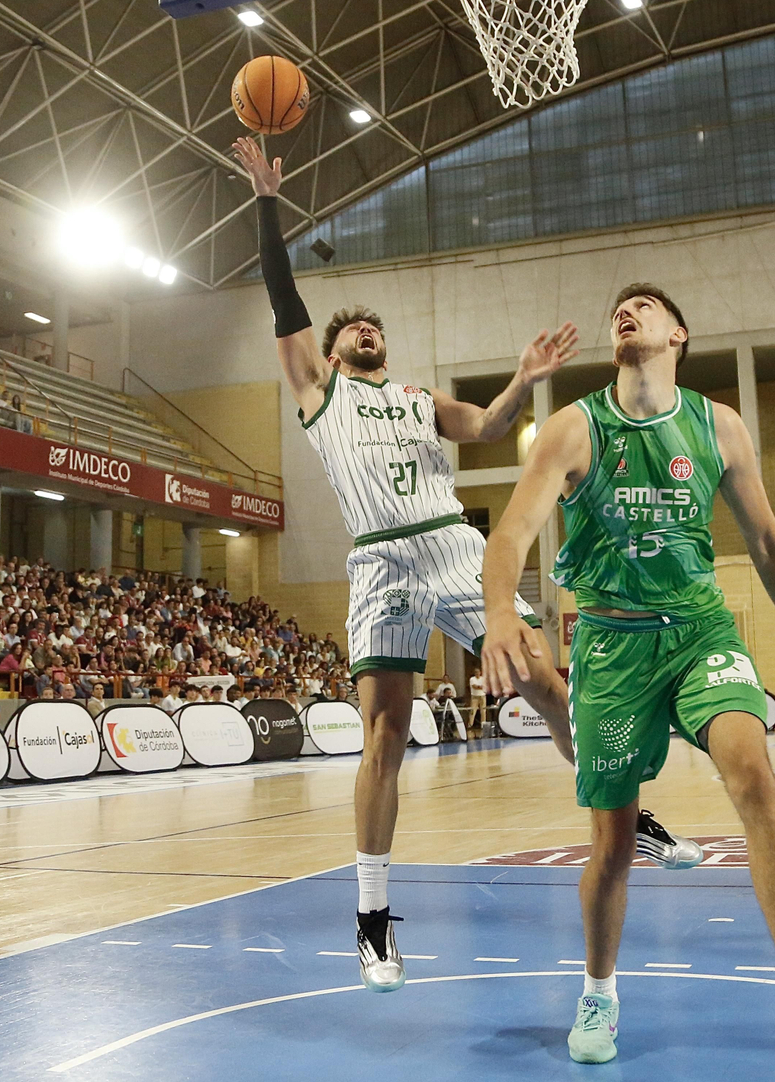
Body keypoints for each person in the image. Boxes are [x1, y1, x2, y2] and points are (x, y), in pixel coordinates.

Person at [233, 135, 702, 995]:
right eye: (353, 330)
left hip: (451, 545)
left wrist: (524, 379)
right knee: (382, 737)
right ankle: (372, 919)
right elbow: (282, 300)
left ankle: (628, 814)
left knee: (549, 685)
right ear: (332, 355)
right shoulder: (319, 394)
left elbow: (486, 426)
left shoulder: (417, 399)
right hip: (379, 562)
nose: (367, 331)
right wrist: (268, 204)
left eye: (374, 326)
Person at [481, 283, 775, 1076]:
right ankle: (599, 990)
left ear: (678, 333)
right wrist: (500, 612)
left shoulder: (717, 424)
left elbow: (767, 539)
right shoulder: (574, 427)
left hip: (700, 631)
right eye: (617, 307)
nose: (624, 311)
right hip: (611, 645)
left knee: (754, 776)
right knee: (614, 841)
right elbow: (512, 529)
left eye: (643, 306)